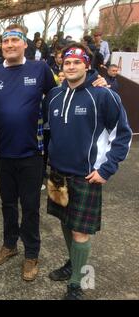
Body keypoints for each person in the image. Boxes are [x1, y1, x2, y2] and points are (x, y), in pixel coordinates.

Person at [0, 24, 108, 282]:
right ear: (1, 46)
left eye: (15, 41)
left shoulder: (39, 70)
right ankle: (10, 244)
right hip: (3, 153)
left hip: (32, 154)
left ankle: (32, 253)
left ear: (25, 44)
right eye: (5, 42)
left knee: (30, 207)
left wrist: (96, 77)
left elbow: (65, 91)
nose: (9, 46)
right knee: (7, 204)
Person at [43, 43, 132, 300]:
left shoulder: (104, 95)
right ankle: (74, 263)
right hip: (58, 174)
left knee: (80, 231)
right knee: (65, 222)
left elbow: (122, 135)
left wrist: (107, 168)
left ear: (87, 65)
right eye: (67, 63)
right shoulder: (54, 96)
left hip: (86, 176)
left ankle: (76, 284)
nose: (71, 66)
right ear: (62, 66)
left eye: (76, 62)